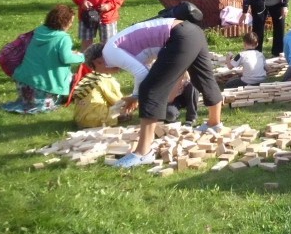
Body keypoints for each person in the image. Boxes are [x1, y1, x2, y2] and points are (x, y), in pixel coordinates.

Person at [83, 17, 224, 168]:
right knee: (203, 78)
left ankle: (143, 153)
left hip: (178, 35)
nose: (109, 74)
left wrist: (137, 96)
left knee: (150, 89)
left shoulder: (109, 52)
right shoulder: (117, 45)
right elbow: (145, 67)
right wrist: (135, 96)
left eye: (100, 71)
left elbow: (142, 74)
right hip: (192, 31)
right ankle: (214, 123)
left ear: (97, 62)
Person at [3, 4, 85, 114]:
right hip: (42, 87)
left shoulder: (39, 31)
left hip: (23, 83)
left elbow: (49, 51)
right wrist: (83, 56)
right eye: (70, 21)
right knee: (74, 78)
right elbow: (66, 58)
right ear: (64, 21)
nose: (71, 25)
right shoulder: (63, 38)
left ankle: (29, 101)